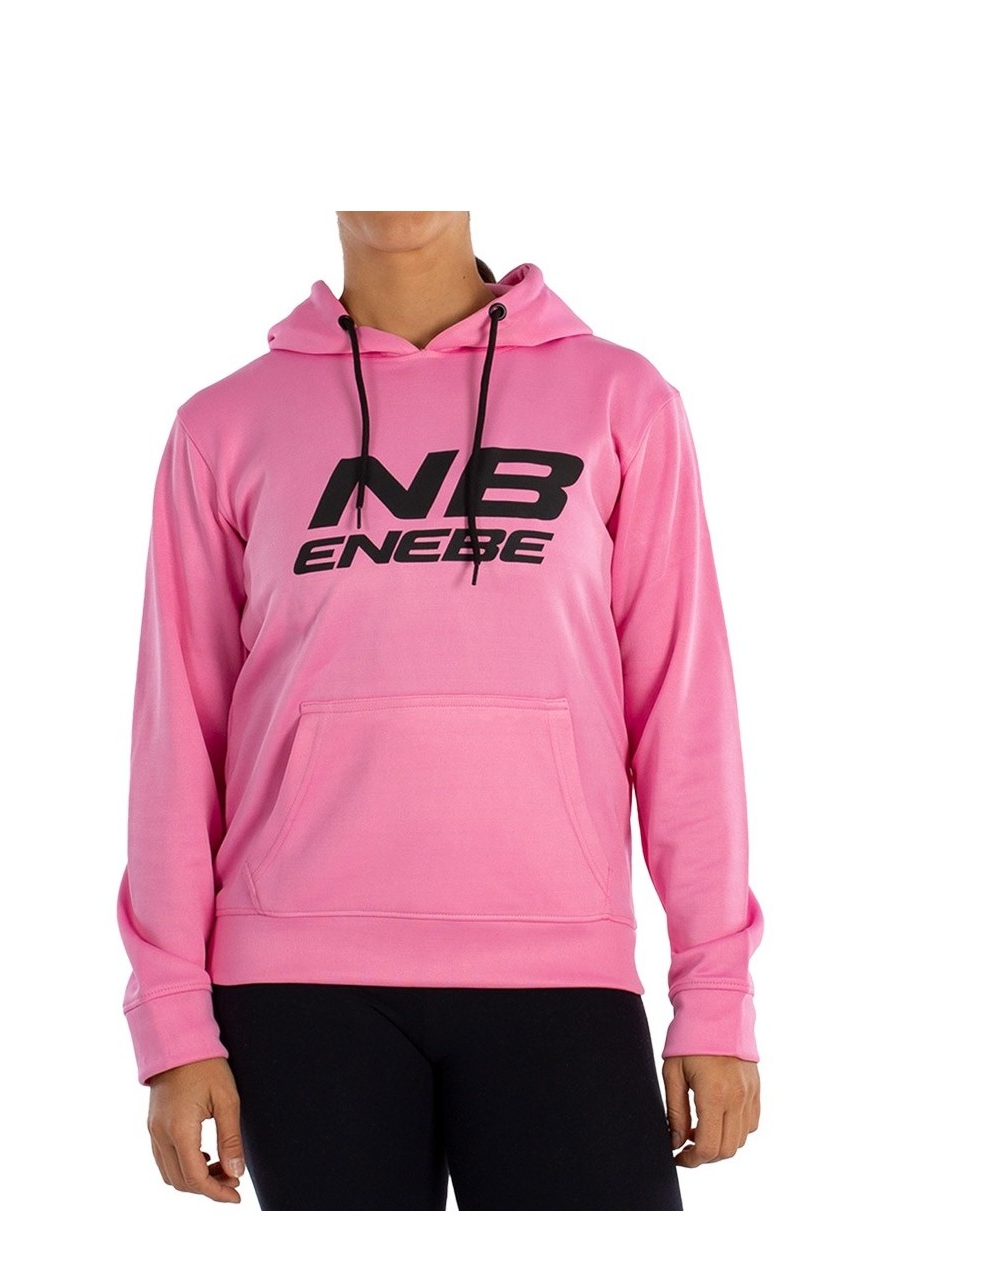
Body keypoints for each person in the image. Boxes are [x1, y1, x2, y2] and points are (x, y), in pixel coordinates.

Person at [116, 211, 764, 1210]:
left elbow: (684, 709)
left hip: (560, 966)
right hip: (296, 980)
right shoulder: (224, 424)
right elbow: (177, 741)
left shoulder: (620, 399)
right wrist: (171, 1018)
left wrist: (713, 991)